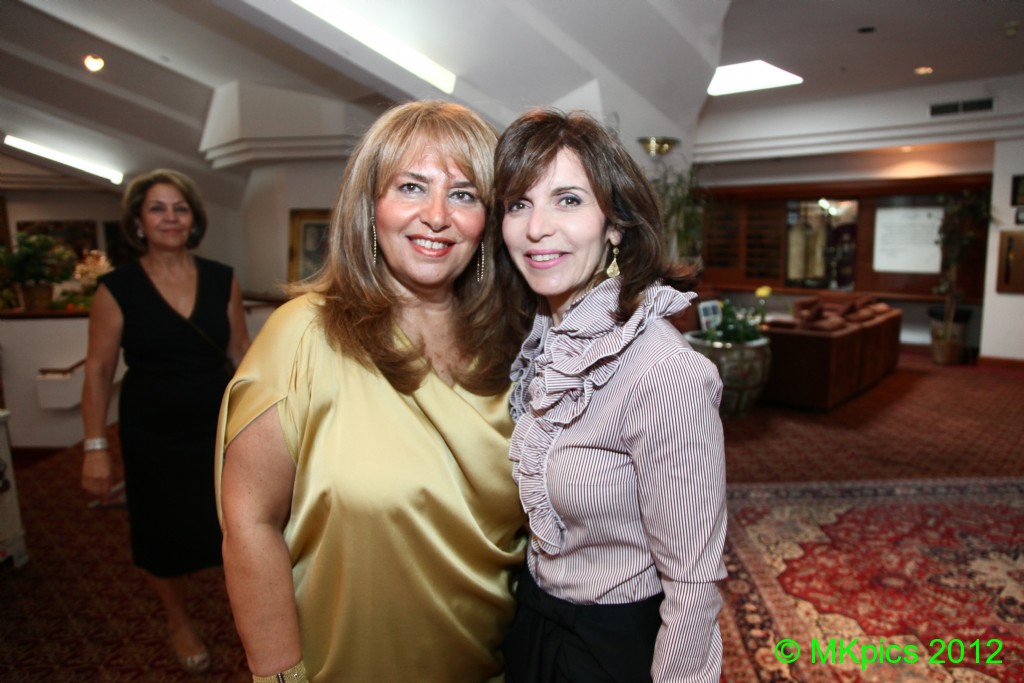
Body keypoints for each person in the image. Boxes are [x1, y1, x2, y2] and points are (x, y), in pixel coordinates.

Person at [215, 100, 531, 682]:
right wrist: (280, 675)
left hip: (490, 661)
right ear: (370, 205)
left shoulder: (516, 348)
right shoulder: (303, 335)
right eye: (412, 187)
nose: (436, 216)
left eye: (464, 194)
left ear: (488, 221)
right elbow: (248, 520)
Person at [494, 109, 728, 683]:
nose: (536, 227)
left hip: (613, 648)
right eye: (519, 204)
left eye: (568, 200)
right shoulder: (545, 342)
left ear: (616, 226)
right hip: (534, 622)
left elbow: (693, 586)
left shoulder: (664, 374)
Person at [80, 168, 250, 674]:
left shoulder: (221, 278)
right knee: (159, 529)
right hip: (151, 431)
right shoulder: (117, 289)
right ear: (138, 222)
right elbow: (98, 371)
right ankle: (177, 618)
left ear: (193, 219)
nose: (171, 218)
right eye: (157, 208)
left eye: (180, 208)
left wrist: (271, 420)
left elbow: (241, 353)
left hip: (217, 426)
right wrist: (95, 447)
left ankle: (245, 605)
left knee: (234, 521)